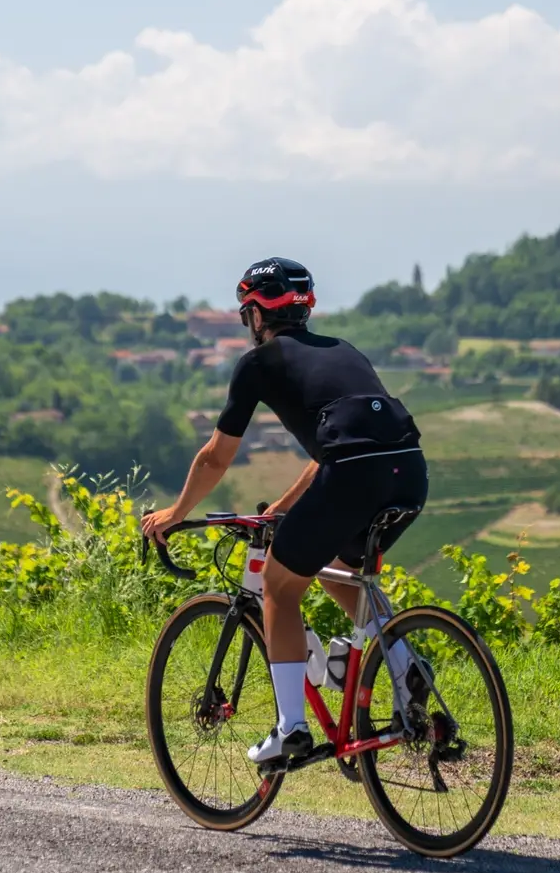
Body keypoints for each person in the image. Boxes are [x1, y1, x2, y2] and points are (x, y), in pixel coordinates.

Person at [139, 257, 427, 769]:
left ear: (255, 315)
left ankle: (290, 727)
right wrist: (282, 509)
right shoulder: (344, 350)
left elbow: (215, 457)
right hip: (407, 472)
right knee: (335, 563)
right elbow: (339, 451)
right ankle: (403, 666)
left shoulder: (259, 364)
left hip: (352, 479)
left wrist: (175, 512)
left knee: (277, 585)